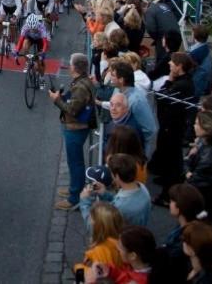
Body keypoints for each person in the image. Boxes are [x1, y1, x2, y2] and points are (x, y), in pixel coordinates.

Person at [51, 53, 95, 211]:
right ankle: (74, 189)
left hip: (76, 128)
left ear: (75, 67)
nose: (69, 67)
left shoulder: (81, 86)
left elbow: (72, 110)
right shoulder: (82, 81)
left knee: (75, 162)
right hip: (76, 127)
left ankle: (75, 197)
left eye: (70, 64)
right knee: (74, 161)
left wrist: (57, 100)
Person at [152, 53, 196, 206]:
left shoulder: (182, 85)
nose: (170, 65)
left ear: (180, 66)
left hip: (173, 128)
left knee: (172, 161)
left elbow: (161, 97)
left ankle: (167, 195)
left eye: (173, 63)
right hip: (169, 126)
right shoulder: (181, 82)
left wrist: (169, 79)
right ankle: (166, 181)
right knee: (168, 158)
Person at [80, 153, 152, 229]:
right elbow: (125, 200)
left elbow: (96, 227)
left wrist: (85, 202)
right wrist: (105, 194)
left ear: (117, 176)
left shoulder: (119, 208)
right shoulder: (142, 188)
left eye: (110, 172)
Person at [185, 111, 212, 220]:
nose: (194, 125)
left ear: (206, 128)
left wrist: (188, 172)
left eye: (197, 124)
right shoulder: (206, 142)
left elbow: (194, 179)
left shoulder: (209, 156)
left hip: (204, 198)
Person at [162, 183, 209, 282]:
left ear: (179, 209)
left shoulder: (183, 243)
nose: (169, 203)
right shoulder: (195, 225)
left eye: (171, 201)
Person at [86, 226, 161, 284]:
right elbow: (126, 276)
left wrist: (91, 281)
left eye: (120, 247)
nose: (117, 248)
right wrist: (110, 271)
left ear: (132, 256)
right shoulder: (146, 266)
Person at [80, 202, 125, 270]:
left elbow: (95, 277)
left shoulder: (100, 251)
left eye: (91, 218)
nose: (89, 221)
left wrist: (78, 268)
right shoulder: (121, 241)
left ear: (98, 224)